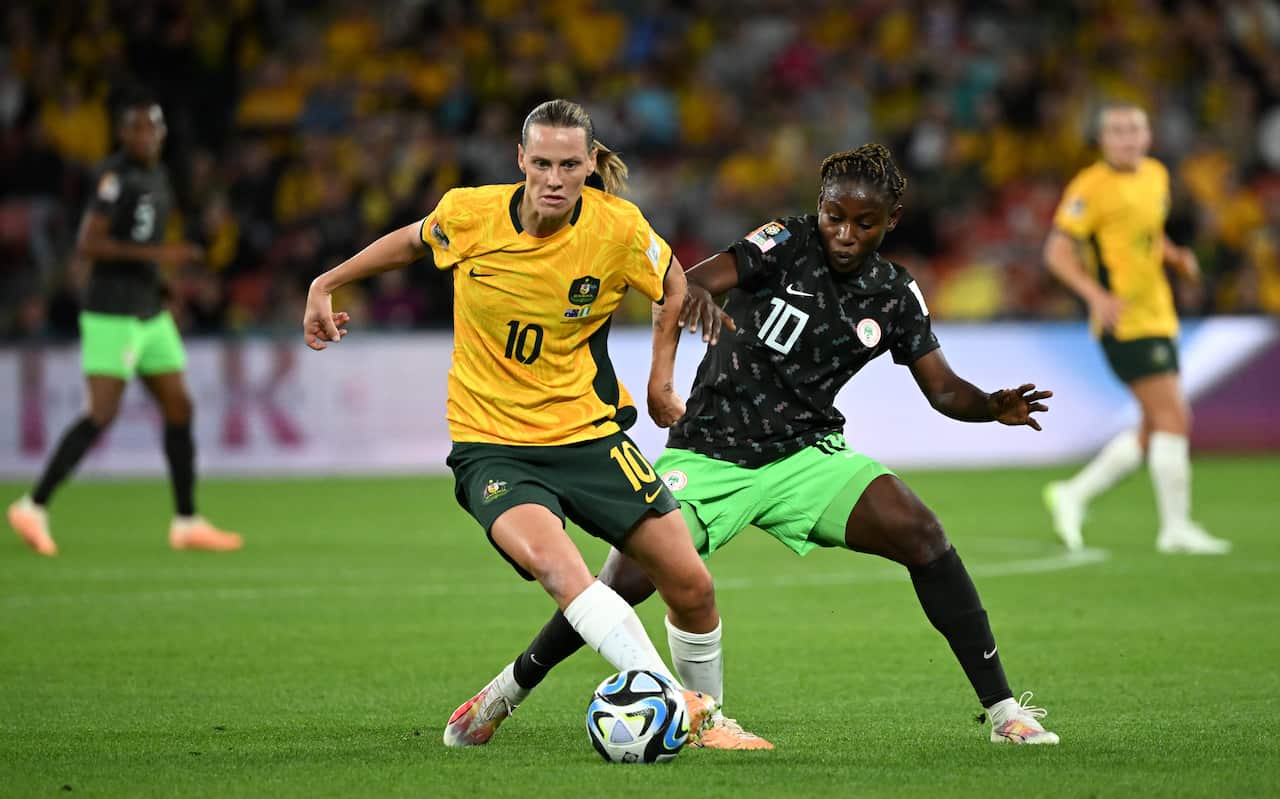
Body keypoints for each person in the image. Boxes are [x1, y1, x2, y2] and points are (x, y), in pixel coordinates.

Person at [445, 144, 1061, 749]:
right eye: (834, 217)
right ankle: (506, 691)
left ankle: (1006, 712)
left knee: (923, 534)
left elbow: (944, 389)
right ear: (819, 207)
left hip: (806, 456)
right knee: (625, 579)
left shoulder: (894, 294)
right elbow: (691, 283)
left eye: (864, 223)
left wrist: (990, 406)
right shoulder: (785, 242)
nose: (845, 234)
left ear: (891, 221)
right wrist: (696, 304)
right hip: (710, 451)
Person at [302, 99, 722, 745]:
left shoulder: (617, 228)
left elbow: (673, 283)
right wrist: (325, 283)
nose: (555, 179)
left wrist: (660, 382)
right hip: (493, 446)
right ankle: (684, 710)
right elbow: (411, 241)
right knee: (563, 572)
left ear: (590, 164)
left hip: (589, 435)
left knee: (690, 584)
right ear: (520, 159)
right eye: (543, 163)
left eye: (570, 165)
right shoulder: (469, 214)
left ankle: (510, 690)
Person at [7, 90, 242, 556]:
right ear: (122, 133)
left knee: (179, 407)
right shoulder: (113, 177)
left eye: (152, 126)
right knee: (101, 413)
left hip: (149, 312)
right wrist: (164, 256)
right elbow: (89, 244)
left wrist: (160, 284)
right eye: (136, 127)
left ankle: (187, 521)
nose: (145, 135)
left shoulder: (158, 176)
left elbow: (137, 239)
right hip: (111, 312)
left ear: (162, 132)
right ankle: (32, 506)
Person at [1043, 103, 1230, 555]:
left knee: (1153, 427)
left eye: (1134, 130)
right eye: (1117, 131)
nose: (1127, 138)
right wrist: (1095, 296)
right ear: (1103, 140)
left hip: (1159, 314)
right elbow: (1057, 252)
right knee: (1174, 417)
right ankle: (1175, 529)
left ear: (1147, 136)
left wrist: (1175, 256)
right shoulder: (1090, 187)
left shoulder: (1155, 176)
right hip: (1124, 321)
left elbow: (1147, 235)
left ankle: (1073, 494)